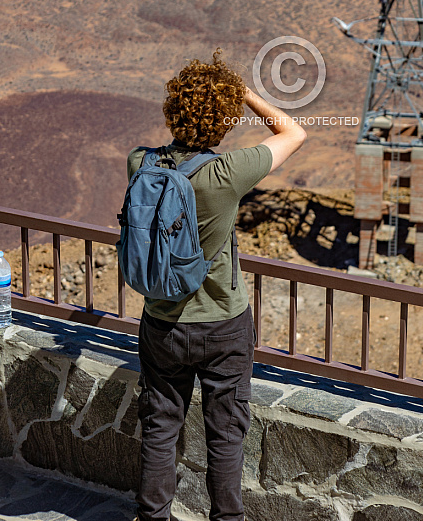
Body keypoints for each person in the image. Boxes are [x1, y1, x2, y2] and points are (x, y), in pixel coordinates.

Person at [129, 50, 306, 521]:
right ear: (223, 121)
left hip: (162, 322)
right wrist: (242, 93)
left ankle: (153, 517)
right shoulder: (228, 174)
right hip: (224, 326)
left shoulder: (139, 164)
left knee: (160, 427)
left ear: (174, 108)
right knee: (226, 434)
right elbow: (294, 132)